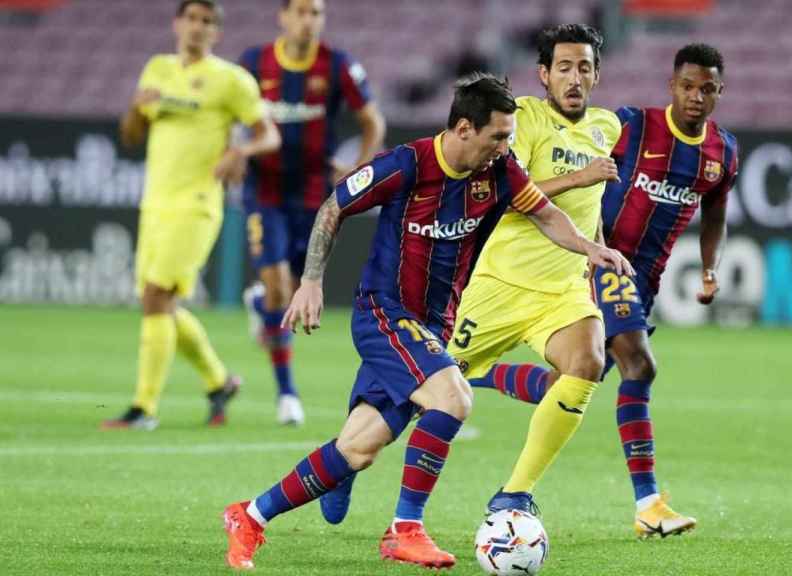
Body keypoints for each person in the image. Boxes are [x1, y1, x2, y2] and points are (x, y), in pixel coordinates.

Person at [221, 73, 632, 570]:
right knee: (453, 397)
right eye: (498, 136)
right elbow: (334, 207)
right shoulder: (407, 165)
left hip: (434, 326)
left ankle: (250, 515)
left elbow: (545, 215)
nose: (507, 147)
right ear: (463, 128)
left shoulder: (500, 172)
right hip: (384, 313)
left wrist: (592, 247)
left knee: (359, 447)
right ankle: (405, 529)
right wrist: (310, 281)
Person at [472, 43, 739, 538]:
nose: (696, 97)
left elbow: (716, 215)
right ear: (671, 86)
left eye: (707, 89)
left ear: (720, 92)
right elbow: (571, 158)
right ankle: (650, 504)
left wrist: (709, 268)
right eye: (687, 86)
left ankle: (474, 374)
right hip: (604, 261)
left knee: (573, 382)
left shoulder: (722, 152)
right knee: (640, 364)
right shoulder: (631, 126)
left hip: (646, 281)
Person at [445, 24, 622, 515]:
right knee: (415, 393)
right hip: (499, 283)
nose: (574, 78)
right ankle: (346, 464)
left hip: (561, 289)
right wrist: (580, 174)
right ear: (543, 74)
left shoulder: (607, 127)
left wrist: (597, 251)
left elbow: (591, 207)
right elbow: (506, 196)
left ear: (596, 76)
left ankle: (515, 493)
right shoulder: (523, 117)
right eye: (563, 67)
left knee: (587, 362)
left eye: (584, 68)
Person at [102, 0, 280, 431]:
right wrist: (134, 108)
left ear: (216, 32)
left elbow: (268, 133)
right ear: (177, 23)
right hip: (155, 203)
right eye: (192, 19)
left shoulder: (231, 81)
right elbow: (131, 134)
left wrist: (240, 150)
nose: (198, 28)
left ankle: (144, 408)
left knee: (157, 296)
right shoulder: (158, 69)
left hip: (197, 204)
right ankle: (219, 382)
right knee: (157, 300)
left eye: (207, 22)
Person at [239, 0, 386, 426]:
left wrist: (361, 163)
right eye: (301, 11)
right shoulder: (253, 63)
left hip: (315, 197)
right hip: (264, 192)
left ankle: (261, 303)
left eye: (316, 13)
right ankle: (287, 392)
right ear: (283, 16)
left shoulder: (338, 65)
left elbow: (372, 121)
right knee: (282, 288)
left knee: (286, 290)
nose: (309, 21)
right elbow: (230, 114)